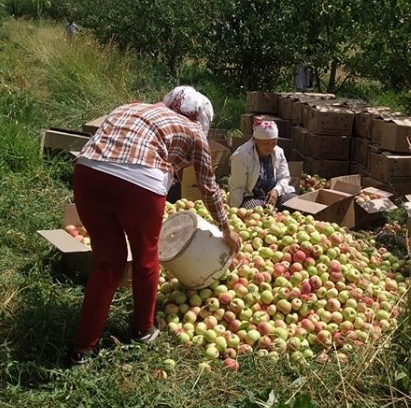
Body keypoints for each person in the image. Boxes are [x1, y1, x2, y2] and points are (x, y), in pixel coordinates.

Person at [69, 86, 241, 365]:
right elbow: (208, 186)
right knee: (145, 258)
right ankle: (143, 330)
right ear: (199, 118)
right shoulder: (194, 131)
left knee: (107, 263)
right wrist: (225, 227)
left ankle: (83, 348)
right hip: (139, 183)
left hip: (88, 173)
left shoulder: (132, 106)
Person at [228, 118, 298, 210]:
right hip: (252, 197)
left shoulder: (278, 152)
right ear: (256, 140)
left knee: (296, 203)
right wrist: (236, 210)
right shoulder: (241, 156)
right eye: (266, 143)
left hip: (274, 196)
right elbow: (237, 188)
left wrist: (276, 190)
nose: (270, 147)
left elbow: (284, 177)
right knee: (255, 210)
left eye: (273, 143)